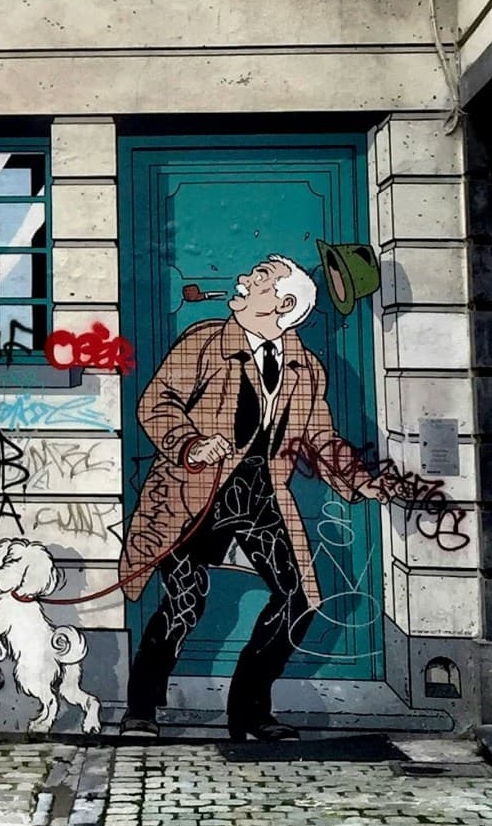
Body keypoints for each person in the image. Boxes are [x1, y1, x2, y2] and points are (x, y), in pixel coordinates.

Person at [117, 256, 391, 743]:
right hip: (192, 492)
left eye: (260, 279)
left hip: (260, 493)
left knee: (300, 600)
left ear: (284, 305)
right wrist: (190, 444)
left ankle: (249, 713)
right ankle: (141, 709)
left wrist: (362, 480)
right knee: (184, 603)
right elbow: (156, 401)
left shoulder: (305, 369)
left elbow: (318, 437)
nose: (243, 279)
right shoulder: (204, 340)